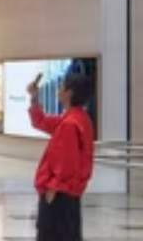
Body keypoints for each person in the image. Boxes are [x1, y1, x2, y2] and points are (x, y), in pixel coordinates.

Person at [29, 72, 95, 241]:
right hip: (68, 195)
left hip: (60, 197)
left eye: (61, 87)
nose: (58, 90)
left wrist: (53, 188)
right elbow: (41, 122)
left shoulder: (69, 125)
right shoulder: (78, 118)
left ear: (69, 93)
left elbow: (67, 164)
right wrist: (34, 99)